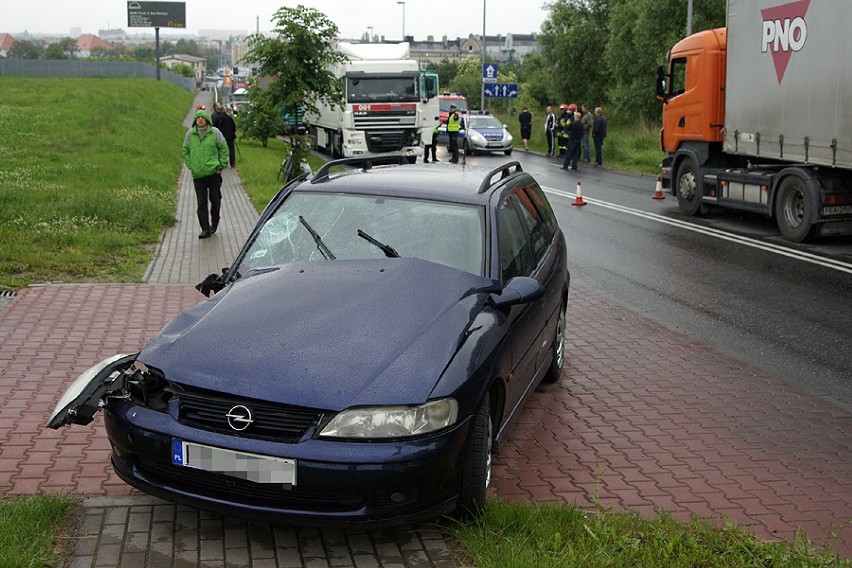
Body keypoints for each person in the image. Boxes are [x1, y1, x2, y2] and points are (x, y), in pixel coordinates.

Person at [183, 108, 229, 239]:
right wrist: (190, 164)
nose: (200, 119)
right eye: (198, 118)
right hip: (198, 174)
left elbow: (224, 148)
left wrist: (221, 165)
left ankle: (215, 222)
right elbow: (185, 150)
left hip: (213, 173)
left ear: (207, 120)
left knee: (215, 200)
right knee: (201, 203)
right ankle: (205, 228)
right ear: (195, 120)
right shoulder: (190, 134)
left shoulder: (215, 133)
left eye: (202, 117)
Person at [211, 102, 237, 167]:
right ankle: (232, 163)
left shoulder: (217, 118)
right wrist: (233, 133)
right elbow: (234, 126)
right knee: (231, 150)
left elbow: (214, 127)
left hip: (221, 137)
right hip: (230, 136)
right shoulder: (229, 118)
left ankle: (222, 163)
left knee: (221, 150)